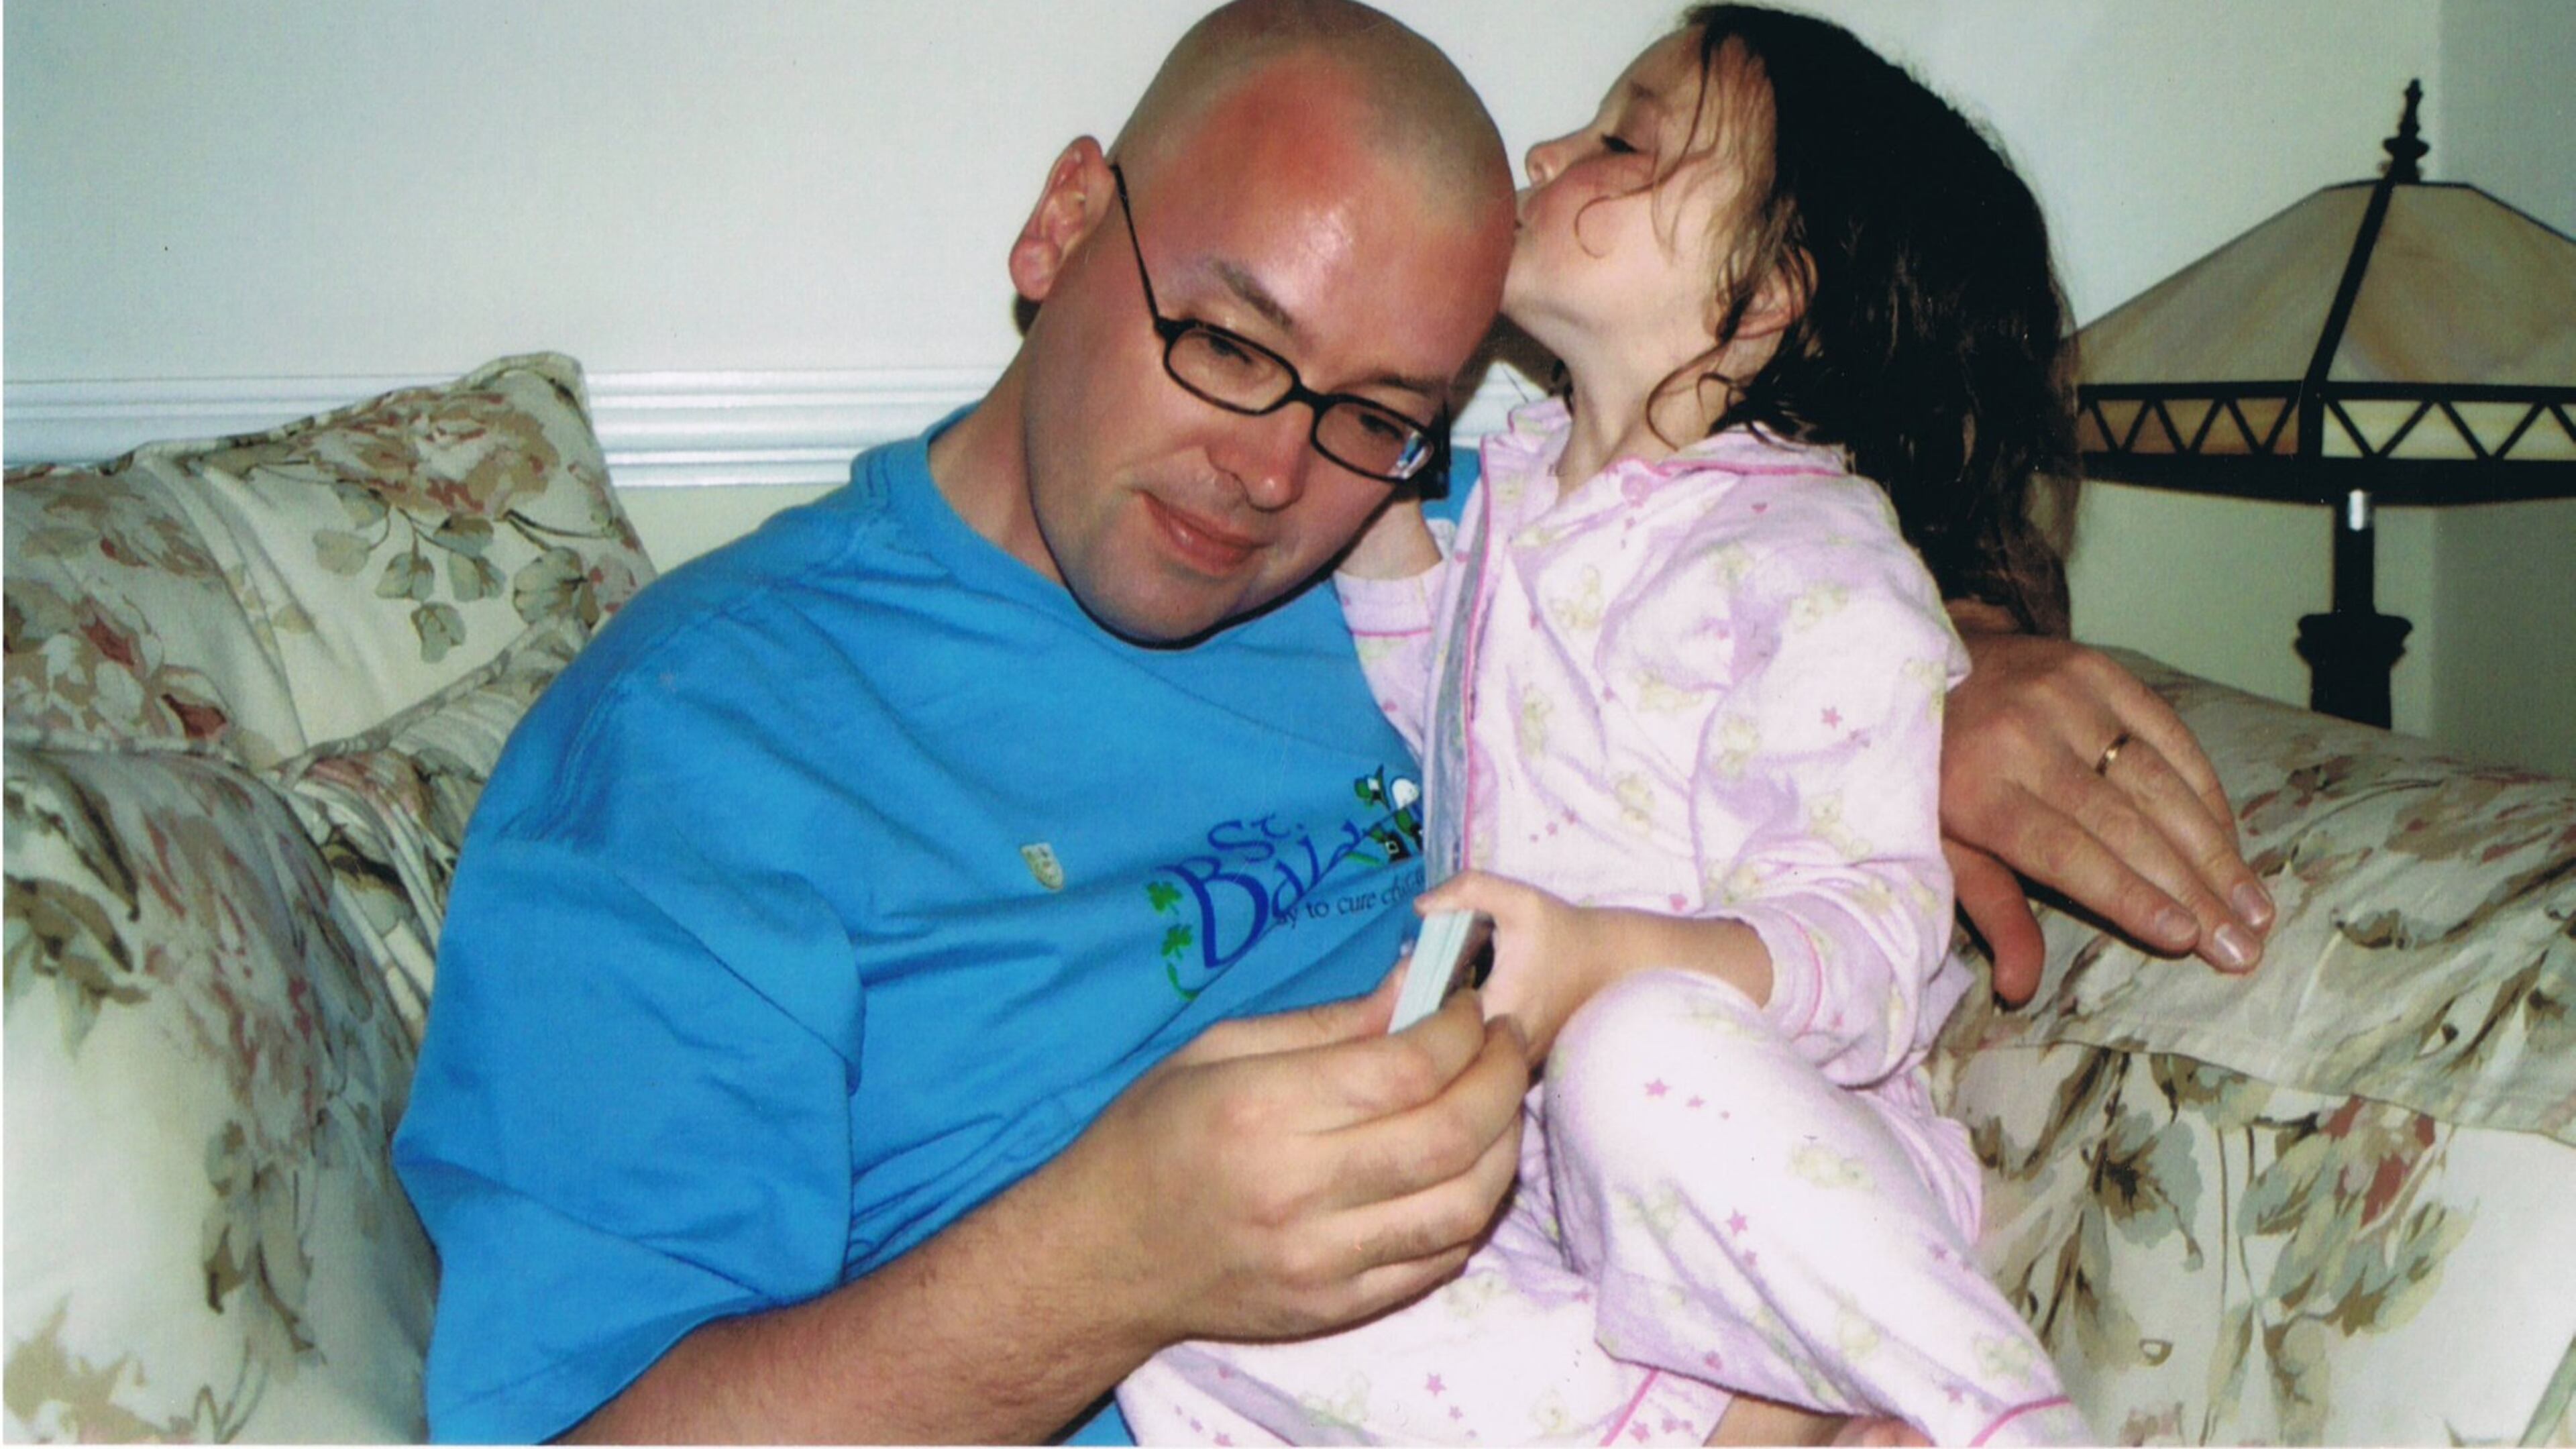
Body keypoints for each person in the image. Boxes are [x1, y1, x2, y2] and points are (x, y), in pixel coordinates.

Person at [391, 2, 2273, 1442]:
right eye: (1227, 340)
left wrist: (1970, 672)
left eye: (1379, 410)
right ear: (1063, 226)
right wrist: (1105, 1264)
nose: (1265, 474)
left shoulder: (1405, 566)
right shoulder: (699, 755)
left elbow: (1747, 567)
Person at [1120, 6, 2096, 1441]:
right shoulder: (1517, 489)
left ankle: (1992, 1415)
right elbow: (1438, 707)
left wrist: (1602, 968)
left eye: (1624, 142)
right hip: (1542, 1203)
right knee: (1184, 1305)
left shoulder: (1812, 554)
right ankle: (1732, 1427)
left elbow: (1870, 946)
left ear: (1763, 303)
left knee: (1636, 1050)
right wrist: (1375, 487)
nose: (1545, 152)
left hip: (1750, 1167)